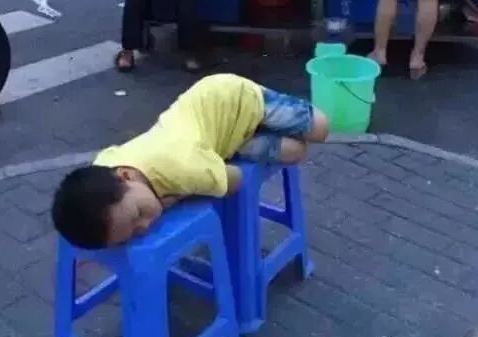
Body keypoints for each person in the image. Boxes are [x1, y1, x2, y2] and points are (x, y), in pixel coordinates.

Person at [51, 74, 330, 249]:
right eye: (133, 233)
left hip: (232, 97)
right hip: (213, 130)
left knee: (321, 128)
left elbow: (236, 180)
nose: (144, 226)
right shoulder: (104, 167)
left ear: (126, 175)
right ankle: (243, 136)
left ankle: (260, 105)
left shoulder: (185, 170)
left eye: (138, 215)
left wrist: (183, 194)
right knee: (296, 152)